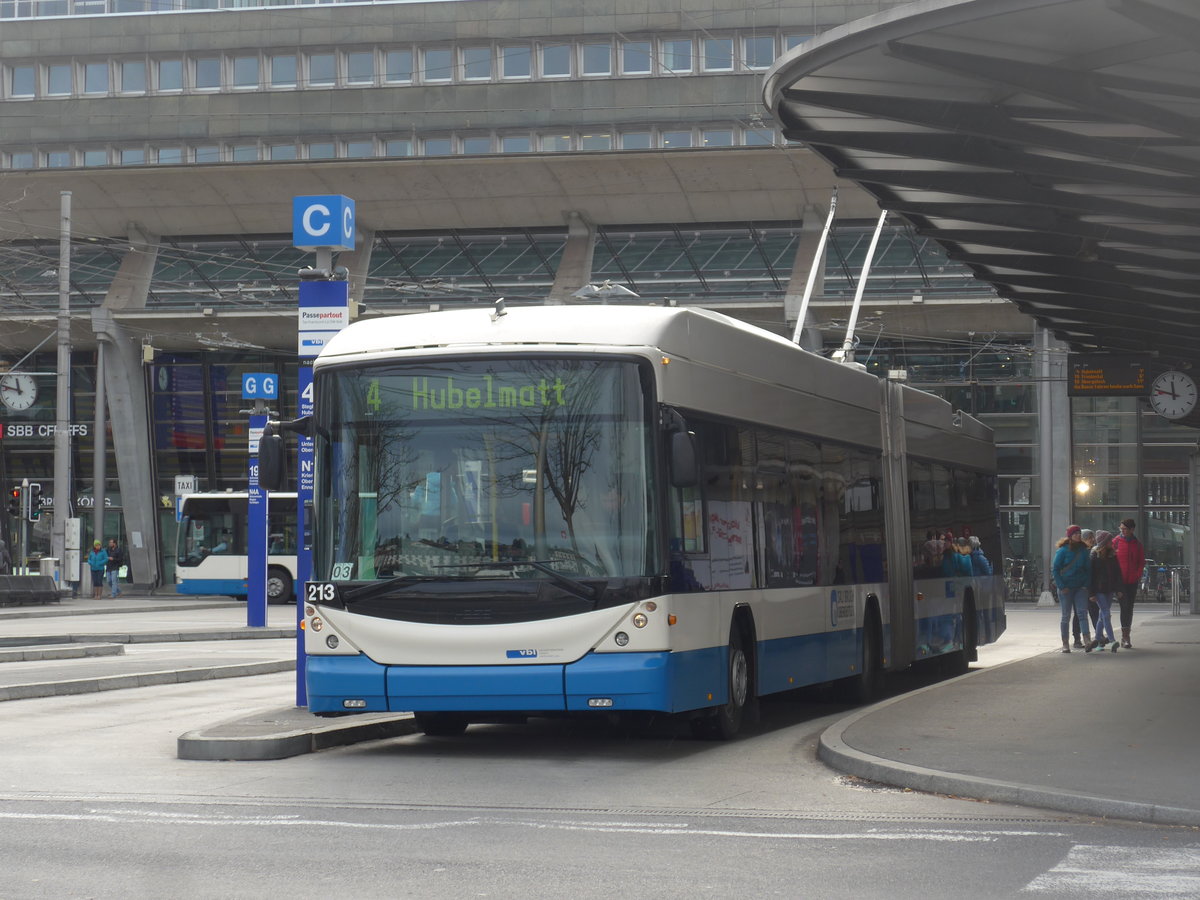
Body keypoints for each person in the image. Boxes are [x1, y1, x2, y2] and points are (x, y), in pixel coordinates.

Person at [1052, 524, 1094, 653]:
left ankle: (1087, 640)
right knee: (1066, 616)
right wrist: (1061, 586)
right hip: (1066, 588)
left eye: (1079, 533)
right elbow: (1056, 569)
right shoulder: (1063, 550)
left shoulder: (1083, 550)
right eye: (1075, 533)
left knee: (1082, 613)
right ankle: (1065, 643)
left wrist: (1085, 584)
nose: (1078, 535)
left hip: (1080, 587)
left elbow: (1088, 569)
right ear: (1070, 536)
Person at [1112, 518, 1145, 649]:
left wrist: (1137, 575)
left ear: (1132, 529)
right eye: (1121, 529)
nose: (1122, 531)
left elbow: (1141, 562)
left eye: (1125, 529)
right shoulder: (1115, 543)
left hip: (1132, 581)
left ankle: (1126, 635)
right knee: (1124, 606)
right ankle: (1125, 637)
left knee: (1129, 607)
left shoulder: (1137, 544)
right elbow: (1110, 560)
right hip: (1120, 582)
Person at [1088, 530, 1121, 653]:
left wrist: (1118, 589)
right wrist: (1091, 593)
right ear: (1104, 542)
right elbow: (1090, 576)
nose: (1111, 542)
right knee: (1106, 614)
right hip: (1099, 590)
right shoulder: (1094, 556)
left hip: (1109, 589)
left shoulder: (1112, 555)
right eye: (1109, 540)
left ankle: (1098, 641)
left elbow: (1117, 573)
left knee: (1102, 616)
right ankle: (1112, 641)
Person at [1071, 529, 1100, 648]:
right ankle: (1077, 639)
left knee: (1094, 611)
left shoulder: (1094, 551)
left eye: (1093, 537)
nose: (1092, 540)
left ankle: (1098, 637)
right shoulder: (1077, 552)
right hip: (1078, 587)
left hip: (1090, 587)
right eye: (1089, 537)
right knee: (1079, 614)